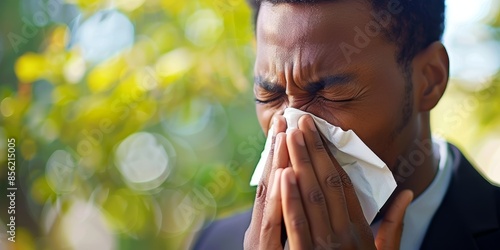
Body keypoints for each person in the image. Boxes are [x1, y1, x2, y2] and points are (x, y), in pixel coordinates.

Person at [194, 0, 500, 249]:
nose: (293, 131)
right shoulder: (215, 243)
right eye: (269, 95)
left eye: (332, 94)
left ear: (430, 80)